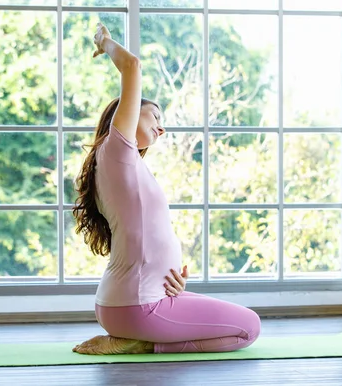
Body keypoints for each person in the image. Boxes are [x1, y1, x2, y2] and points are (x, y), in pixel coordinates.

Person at [71, 22, 261, 355]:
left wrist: (170, 282)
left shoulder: (127, 166)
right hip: (136, 306)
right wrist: (105, 41)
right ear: (126, 116)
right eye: (153, 115)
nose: (162, 126)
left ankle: (140, 337)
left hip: (136, 300)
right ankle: (141, 342)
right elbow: (132, 66)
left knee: (232, 320)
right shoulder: (116, 151)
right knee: (249, 328)